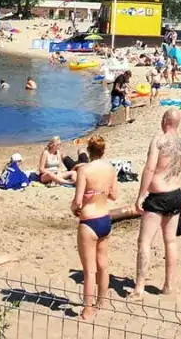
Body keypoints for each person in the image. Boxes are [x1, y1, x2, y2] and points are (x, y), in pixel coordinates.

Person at [132, 109, 181, 299]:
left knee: (144, 242)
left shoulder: (159, 140)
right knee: (171, 242)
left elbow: (150, 168)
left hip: (158, 196)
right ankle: (168, 285)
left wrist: (141, 195)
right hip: (175, 194)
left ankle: (139, 287)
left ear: (165, 121)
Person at [72, 135, 117, 320]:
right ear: (103, 150)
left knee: (89, 269)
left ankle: (88, 309)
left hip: (89, 220)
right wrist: (100, 192)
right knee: (103, 264)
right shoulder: (110, 168)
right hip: (105, 218)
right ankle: (102, 301)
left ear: (88, 151)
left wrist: (74, 208)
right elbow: (114, 195)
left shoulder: (84, 170)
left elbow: (77, 201)